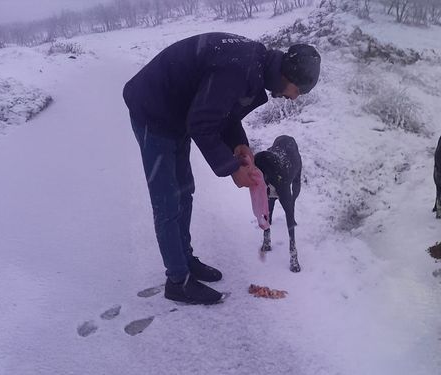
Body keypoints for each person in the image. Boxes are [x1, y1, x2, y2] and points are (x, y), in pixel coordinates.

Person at [123, 32, 321, 304]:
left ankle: (185, 260)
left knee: (184, 190)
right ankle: (177, 281)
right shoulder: (240, 69)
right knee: (167, 199)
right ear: (288, 77)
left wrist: (240, 145)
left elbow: (222, 112)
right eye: (298, 91)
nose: (295, 98)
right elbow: (202, 123)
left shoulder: (256, 66)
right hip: (154, 110)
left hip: (179, 111)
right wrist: (232, 169)